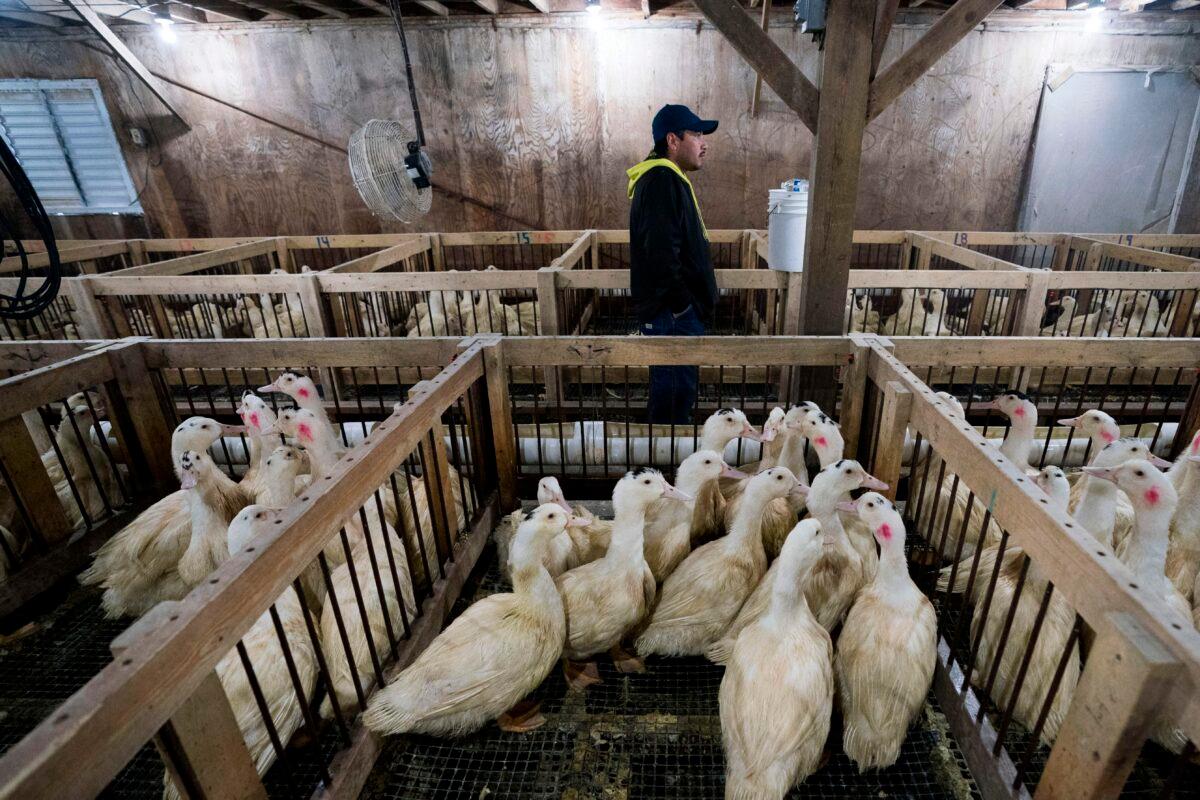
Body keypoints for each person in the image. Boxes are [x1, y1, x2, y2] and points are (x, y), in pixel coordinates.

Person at [627, 104, 719, 426]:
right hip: (672, 316)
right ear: (672, 140)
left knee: (676, 392)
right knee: (673, 398)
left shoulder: (667, 179)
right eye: (696, 134)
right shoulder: (661, 181)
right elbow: (661, 255)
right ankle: (666, 456)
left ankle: (668, 452)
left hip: (673, 314)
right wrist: (683, 308)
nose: (704, 143)